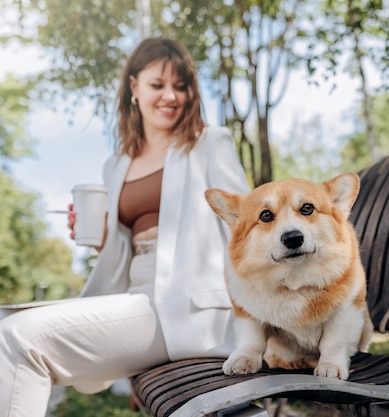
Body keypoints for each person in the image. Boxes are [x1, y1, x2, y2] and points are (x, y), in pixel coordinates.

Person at [0, 37, 250, 417]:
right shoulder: (116, 164)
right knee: (6, 319)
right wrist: (103, 236)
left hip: (189, 304)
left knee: (19, 338)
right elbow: (123, 252)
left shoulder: (209, 143)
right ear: (133, 87)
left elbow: (247, 224)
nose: (171, 96)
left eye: (181, 86)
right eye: (158, 85)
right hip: (137, 296)